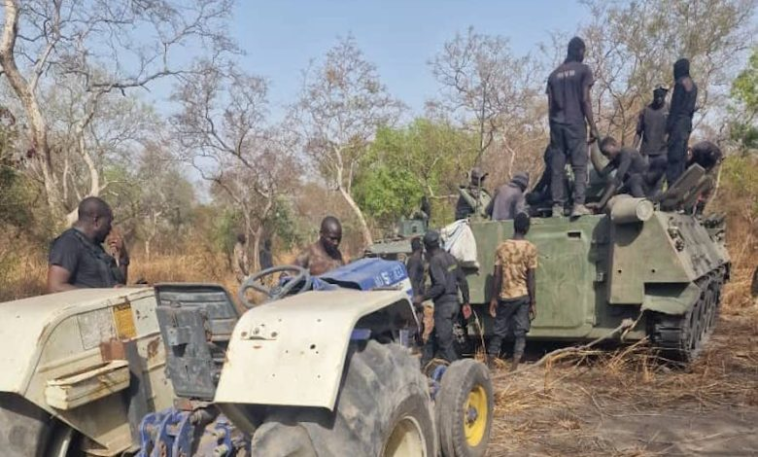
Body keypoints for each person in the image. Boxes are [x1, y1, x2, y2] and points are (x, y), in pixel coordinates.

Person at [547, 36, 599, 218]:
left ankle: (557, 207)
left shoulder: (553, 75)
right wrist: (592, 125)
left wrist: (553, 130)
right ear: (579, 51)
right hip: (575, 122)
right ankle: (578, 204)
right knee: (579, 165)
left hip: (556, 125)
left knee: (557, 166)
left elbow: (550, 106)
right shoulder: (583, 70)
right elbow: (585, 99)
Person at [487, 212, 537, 371]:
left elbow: (497, 275)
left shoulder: (501, 247)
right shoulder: (530, 248)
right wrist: (533, 301)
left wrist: (494, 298)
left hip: (505, 295)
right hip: (522, 295)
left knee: (499, 331)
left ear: (514, 226)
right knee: (520, 332)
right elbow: (531, 277)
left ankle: (490, 363)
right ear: (527, 228)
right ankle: (514, 366)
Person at [47, 197, 128, 293]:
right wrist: (103, 295)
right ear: (96, 221)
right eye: (108, 223)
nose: (110, 229)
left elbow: (120, 283)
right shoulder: (68, 243)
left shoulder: (96, 247)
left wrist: (122, 256)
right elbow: (56, 287)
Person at [413, 230, 470, 365]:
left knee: (445, 345)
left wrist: (422, 297)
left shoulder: (435, 261)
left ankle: (459, 370)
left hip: (444, 306)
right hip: (455, 304)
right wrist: (466, 302)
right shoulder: (450, 257)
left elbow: (440, 285)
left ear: (426, 247)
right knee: (433, 339)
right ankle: (423, 366)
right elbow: (463, 280)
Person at [666, 58, 698, 186]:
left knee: (674, 156)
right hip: (687, 124)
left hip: (678, 123)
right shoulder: (693, 85)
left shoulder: (680, 83)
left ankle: (672, 187)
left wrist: (667, 129)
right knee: (681, 157)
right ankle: (679, 185)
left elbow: (675, 108)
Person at [634, 86, 669, 192]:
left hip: (663, 152)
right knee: (645, 178)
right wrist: (633, 149)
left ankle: (655, 202)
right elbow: (638, 132)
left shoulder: (670, 109)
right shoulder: (646, 111)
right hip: (646, 152)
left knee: (659, 180)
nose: (659, 99)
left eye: (661, 97)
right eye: (657, 97)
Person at [597, 136, 650, 202]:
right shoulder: (616, 158)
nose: (608, 157)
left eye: (608, 153)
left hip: (645, 185)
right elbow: (602, 172)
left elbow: (617, 179)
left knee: (634, 179)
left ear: (613, 145)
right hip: (631, 185)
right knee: (613, 194)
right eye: (606, 155)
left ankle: (645, 204)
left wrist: (601, 203)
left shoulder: (627, 152)